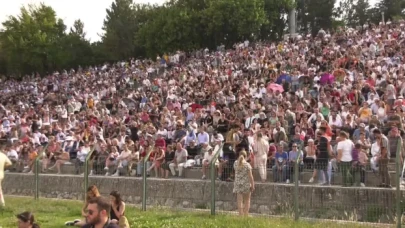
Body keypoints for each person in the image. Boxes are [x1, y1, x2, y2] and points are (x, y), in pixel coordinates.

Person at [233, 150, 254, 217]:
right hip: (246, 185)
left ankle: (240, 215)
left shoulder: (235, 163)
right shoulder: (247, 165)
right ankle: (246, 215)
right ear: (246, 156)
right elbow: (250, 177)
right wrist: (253, 185)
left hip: (237, 184)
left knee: (239, 201)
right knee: (247, 201)